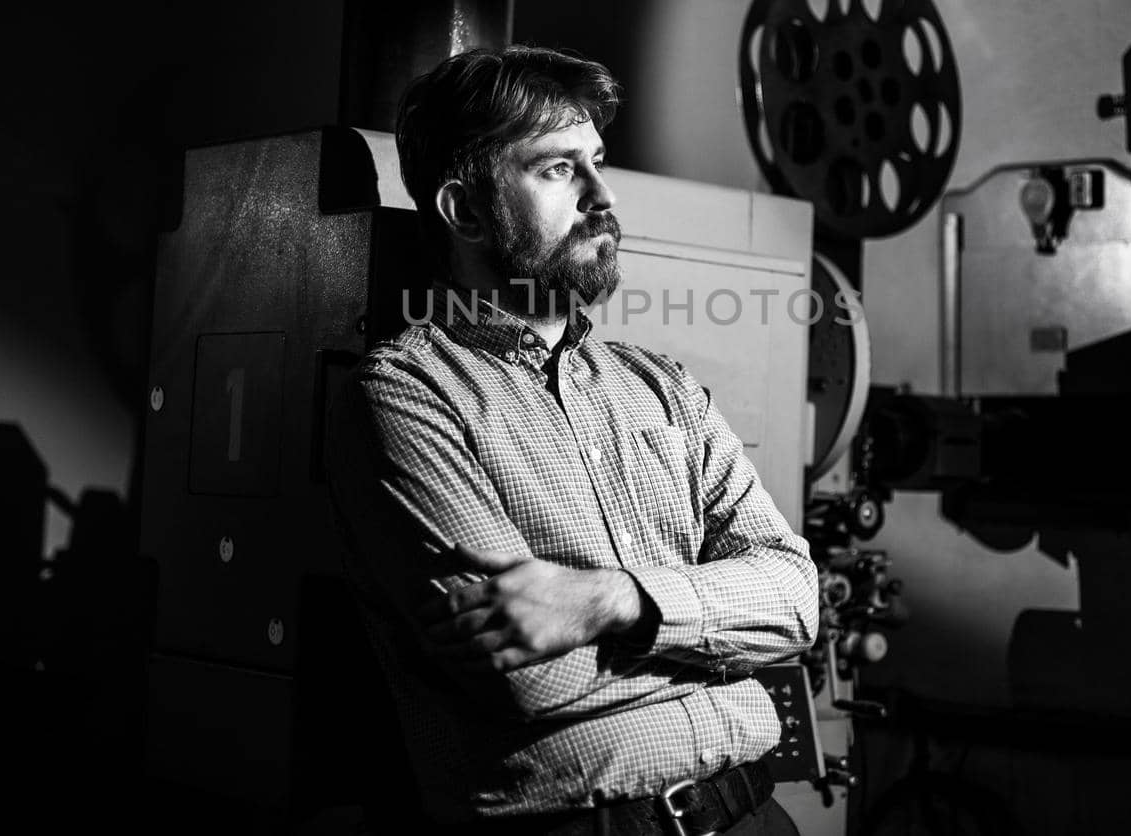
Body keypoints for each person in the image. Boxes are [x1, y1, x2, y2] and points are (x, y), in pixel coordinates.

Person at [327, 45, 819, 835]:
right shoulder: (405, 396)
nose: (603, 195)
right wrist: (718, 635)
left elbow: (797, 601)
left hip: (757, 813)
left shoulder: (663, 388)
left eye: (597, 161)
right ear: (467, 211)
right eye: (559, 169)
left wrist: (608, 600)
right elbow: (527, 678)